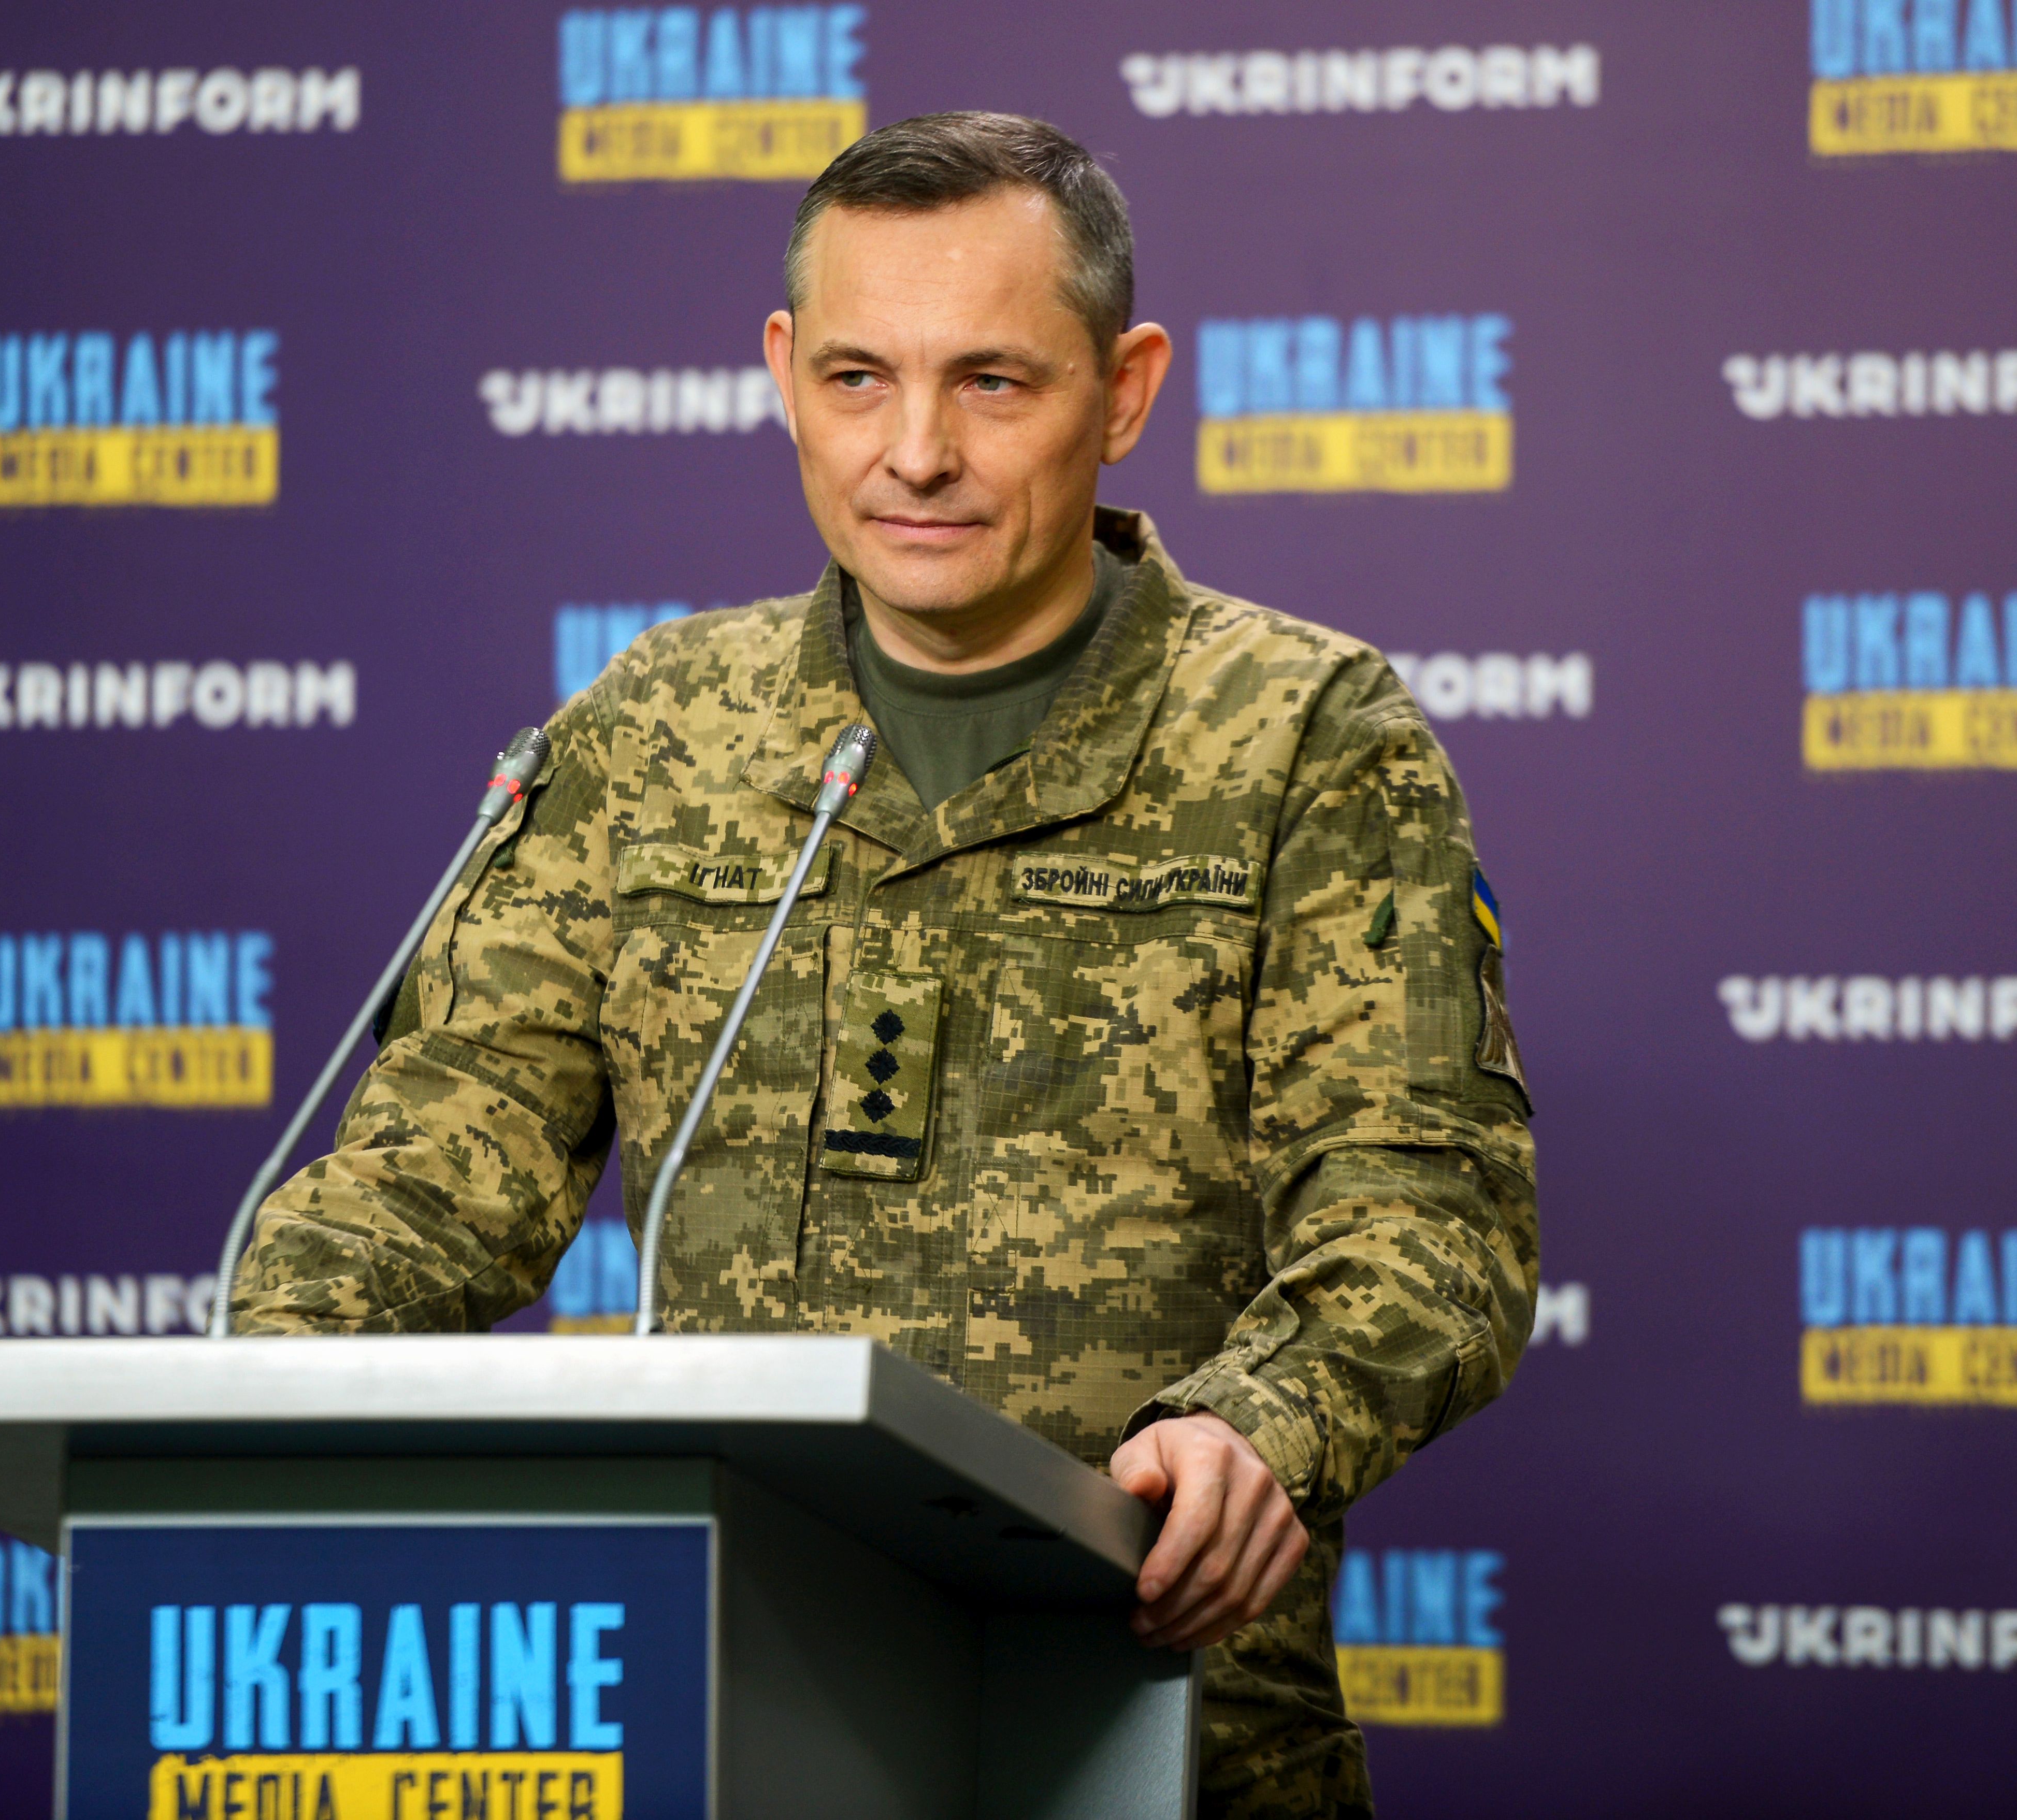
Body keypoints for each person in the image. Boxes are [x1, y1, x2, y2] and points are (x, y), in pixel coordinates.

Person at [235, 110, 1539, 1820]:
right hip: (716, 1711)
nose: (916, 453)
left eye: (992, 382)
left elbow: (1427, 1208)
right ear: (786, 372)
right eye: (860, 378)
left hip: (1159, 1720)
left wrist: (1264, 1427)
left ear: (1125, 389)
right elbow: (427, 1177)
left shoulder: (1307, 735)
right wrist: (251, 1411)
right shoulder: (656, 730)